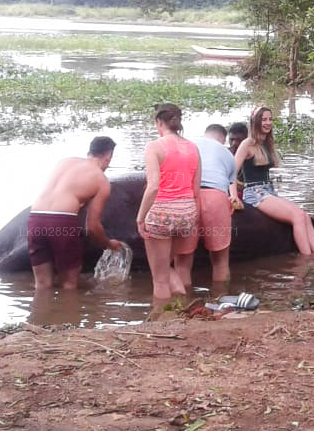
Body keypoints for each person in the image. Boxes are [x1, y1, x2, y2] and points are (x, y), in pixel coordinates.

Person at [28, 136, 122, 290]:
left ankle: (40, 313)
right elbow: (92, 228)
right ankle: (69, 313)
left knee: (42, 284)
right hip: (63, 223)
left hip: (35, 218)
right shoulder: (101, 180)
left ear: (89, 151)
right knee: (69, 284)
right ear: (108, 156)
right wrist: (108, 244)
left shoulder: (64, 162)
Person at [232, 106, 314, 255]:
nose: (268, 123)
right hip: (255, 193)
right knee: (298, 217)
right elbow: (231, 172)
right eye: (263, 120)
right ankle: (306, 260)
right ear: (255, 122)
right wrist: (233, 195)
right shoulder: (248, 143)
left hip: (269, 190)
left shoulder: (267, 143)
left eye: (270, 119)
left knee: (305, 216)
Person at [136, 103, 202, 305]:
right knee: (168, 267)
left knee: (160, 278)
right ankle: (183, 308)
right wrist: (194, 218)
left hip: (162, 213)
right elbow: (196, 191)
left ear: (159, 122)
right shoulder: (193, 147)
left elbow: (154, 186)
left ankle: (163, 322)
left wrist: (140, 218)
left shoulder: (154, 147)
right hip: (187, 213)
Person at [185, 123, 238, 292]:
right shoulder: (227, 154)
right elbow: (229, 185)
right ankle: (220, 303)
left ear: (205, 134)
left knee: (182, 262)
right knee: (220, 262)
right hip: (216, 198)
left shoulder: (188, 144)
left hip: (189, 198)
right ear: (222, 139)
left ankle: (180, 307)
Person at [227, 121, 249, 206]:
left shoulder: (251, 156)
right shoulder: (225, 153)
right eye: (231, 139)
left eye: (239, 140)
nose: (234, 143)